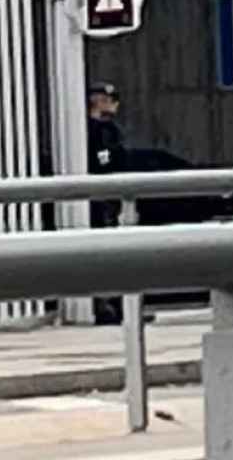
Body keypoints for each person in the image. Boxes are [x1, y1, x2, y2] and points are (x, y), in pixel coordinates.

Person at [86, 83, 146, 325]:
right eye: (109, 99)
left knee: (116, 253)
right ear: (97, 100)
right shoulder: (91, 131)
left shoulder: (110, 130)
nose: (114, 104)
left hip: (112, 199)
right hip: (98, 200)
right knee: (102, 255)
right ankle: (105, 306)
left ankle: (118, 306)